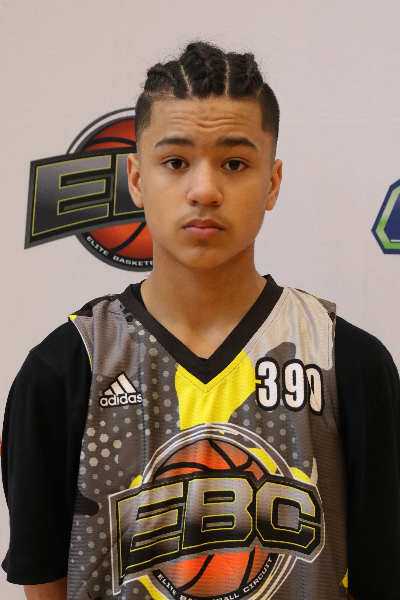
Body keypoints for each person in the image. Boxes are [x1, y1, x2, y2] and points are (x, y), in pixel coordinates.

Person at [1, 41, 399, 600]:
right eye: (176, 162)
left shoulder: (348, 363)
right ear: (136, 179)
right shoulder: (65, 369)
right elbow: (46, 584)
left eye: (235, 163)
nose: (205, 190)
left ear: (272, 182)